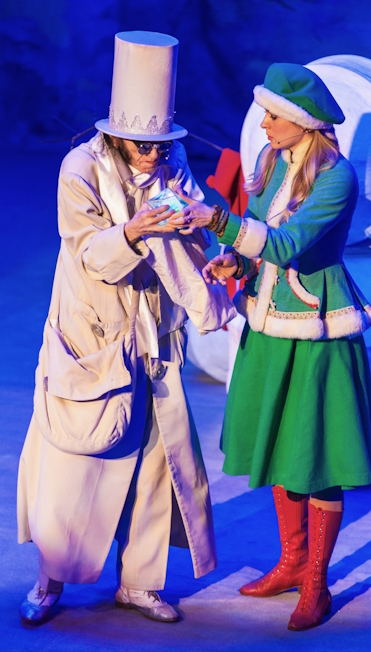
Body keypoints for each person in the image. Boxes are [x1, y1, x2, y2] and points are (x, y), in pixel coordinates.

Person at [17, 31, 235, 626]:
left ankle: (139, 583)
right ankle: (49, 580)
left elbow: (193, 229)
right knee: (74, 463)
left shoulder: (172, 164)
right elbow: (87, 252)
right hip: (91, 334)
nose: (153, 155)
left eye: (162, 144)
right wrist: (135, 231)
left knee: (155, 464)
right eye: (143, 144)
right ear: (116, 135)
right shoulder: (80, 169)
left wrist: (203, 244)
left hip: (154, 335)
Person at [177, 62, 371, 631]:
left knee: (317, 455)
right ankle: (291, 562)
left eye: (273, 115)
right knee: (280, 448)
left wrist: (218, 221)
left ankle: (316, 581)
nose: (264, 124)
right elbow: (259, 237)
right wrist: (235, 262)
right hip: (268, 326)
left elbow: (288, 243)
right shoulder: (272, 161)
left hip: (317, 333)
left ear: (303, 120)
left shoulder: (336, 178)